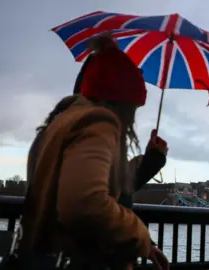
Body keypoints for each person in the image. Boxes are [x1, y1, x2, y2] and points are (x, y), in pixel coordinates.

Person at [11, 34, 170, 270]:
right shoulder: (99, 121)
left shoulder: (60, 123)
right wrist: (139, 234)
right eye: (134, 107)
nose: (133, 118)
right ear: (122, 103)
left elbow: (102, 183)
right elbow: (85, 201)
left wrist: (150, 160)